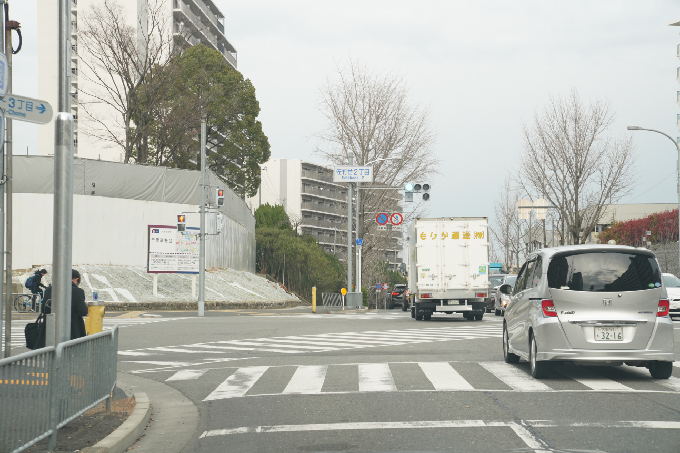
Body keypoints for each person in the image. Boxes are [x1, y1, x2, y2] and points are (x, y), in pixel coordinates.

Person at [42, 269, 88, 339]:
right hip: (71, 331)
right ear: (76, 279)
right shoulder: (77, 291)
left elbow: (43, 309)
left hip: (49, 330)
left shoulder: (49, 290)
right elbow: (82, 311)